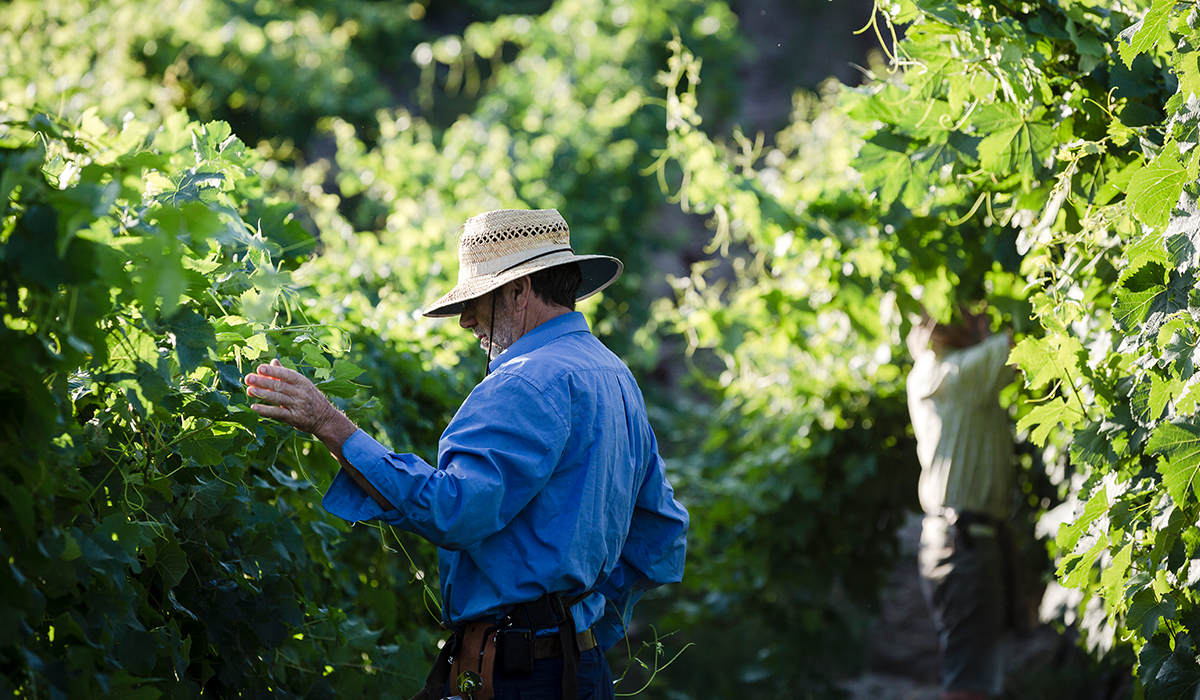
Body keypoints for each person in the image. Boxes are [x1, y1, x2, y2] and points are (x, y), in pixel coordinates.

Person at [243, 208, 689, 700]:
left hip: (523, 675)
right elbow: (662, 534)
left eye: (478, 300)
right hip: (576, 670)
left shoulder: (524, 382)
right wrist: (582, 630)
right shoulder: (613, 375)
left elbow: (451, 510)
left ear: (520, 291)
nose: (466, 321)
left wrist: (329, 424)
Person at [905, 311, 1016, 700]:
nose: (981, 320)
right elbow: (1029, 339)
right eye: (971, 314)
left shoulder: (926, 373)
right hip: (967, 544)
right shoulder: (960, 375)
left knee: (963, 670)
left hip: (950, 540)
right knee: (969, 685)